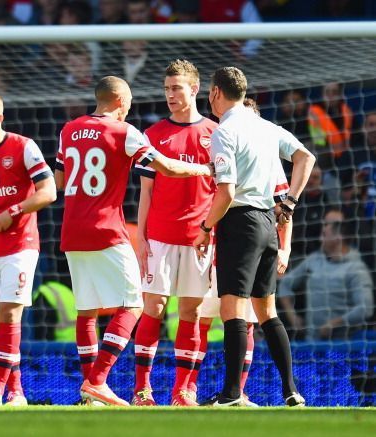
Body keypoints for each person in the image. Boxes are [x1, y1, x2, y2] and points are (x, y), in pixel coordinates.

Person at [55, 75, 213, 406]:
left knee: (86, 311)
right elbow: (167, 168)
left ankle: (90, 393)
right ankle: (97, 381)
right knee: (134, 305)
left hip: (71, 230)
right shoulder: (124, 132)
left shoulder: (68, 130)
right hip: (106, 230)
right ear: (120, 102)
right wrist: (202, 169)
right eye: (128, 103)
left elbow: (59, 180)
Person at [193, 67, 315, 407]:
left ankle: (232, 393)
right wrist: (290, 201)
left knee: (232, 308)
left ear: (216, 93)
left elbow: (227, 192)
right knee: (267, 311)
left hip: (240, 222)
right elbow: (307, 157)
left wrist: (205, 228)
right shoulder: (265, 127)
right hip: (267, 222)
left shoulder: (225, 130)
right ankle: (291, 390)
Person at [131, 59, 217, 407]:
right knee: (154, 306)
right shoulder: (153, 135)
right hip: (161, 236)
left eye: (176, 88)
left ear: (194, 89)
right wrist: (141, 237)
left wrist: (212, 231)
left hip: (199, 237)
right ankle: (142, 390)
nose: (170, 94)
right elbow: (146, 191)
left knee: (192, 313)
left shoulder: (215, 132)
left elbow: (222, 190)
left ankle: (184, 390)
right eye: (167, 88)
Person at [0, 92, 56, 406]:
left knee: (9, 315)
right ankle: (16, 391)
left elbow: (49, 191)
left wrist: (12, 212)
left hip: (20, 244)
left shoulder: (23, 147)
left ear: (0, 117)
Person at [279, 209, 374, 341]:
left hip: (344, 345)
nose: (320, 239)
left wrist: (335, 323)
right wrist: (292, 316)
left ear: (338, 237)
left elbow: (365, 308)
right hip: (312, 342)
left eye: (324, 234)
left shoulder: (356, 268)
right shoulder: (314, 260)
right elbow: (285, 283)